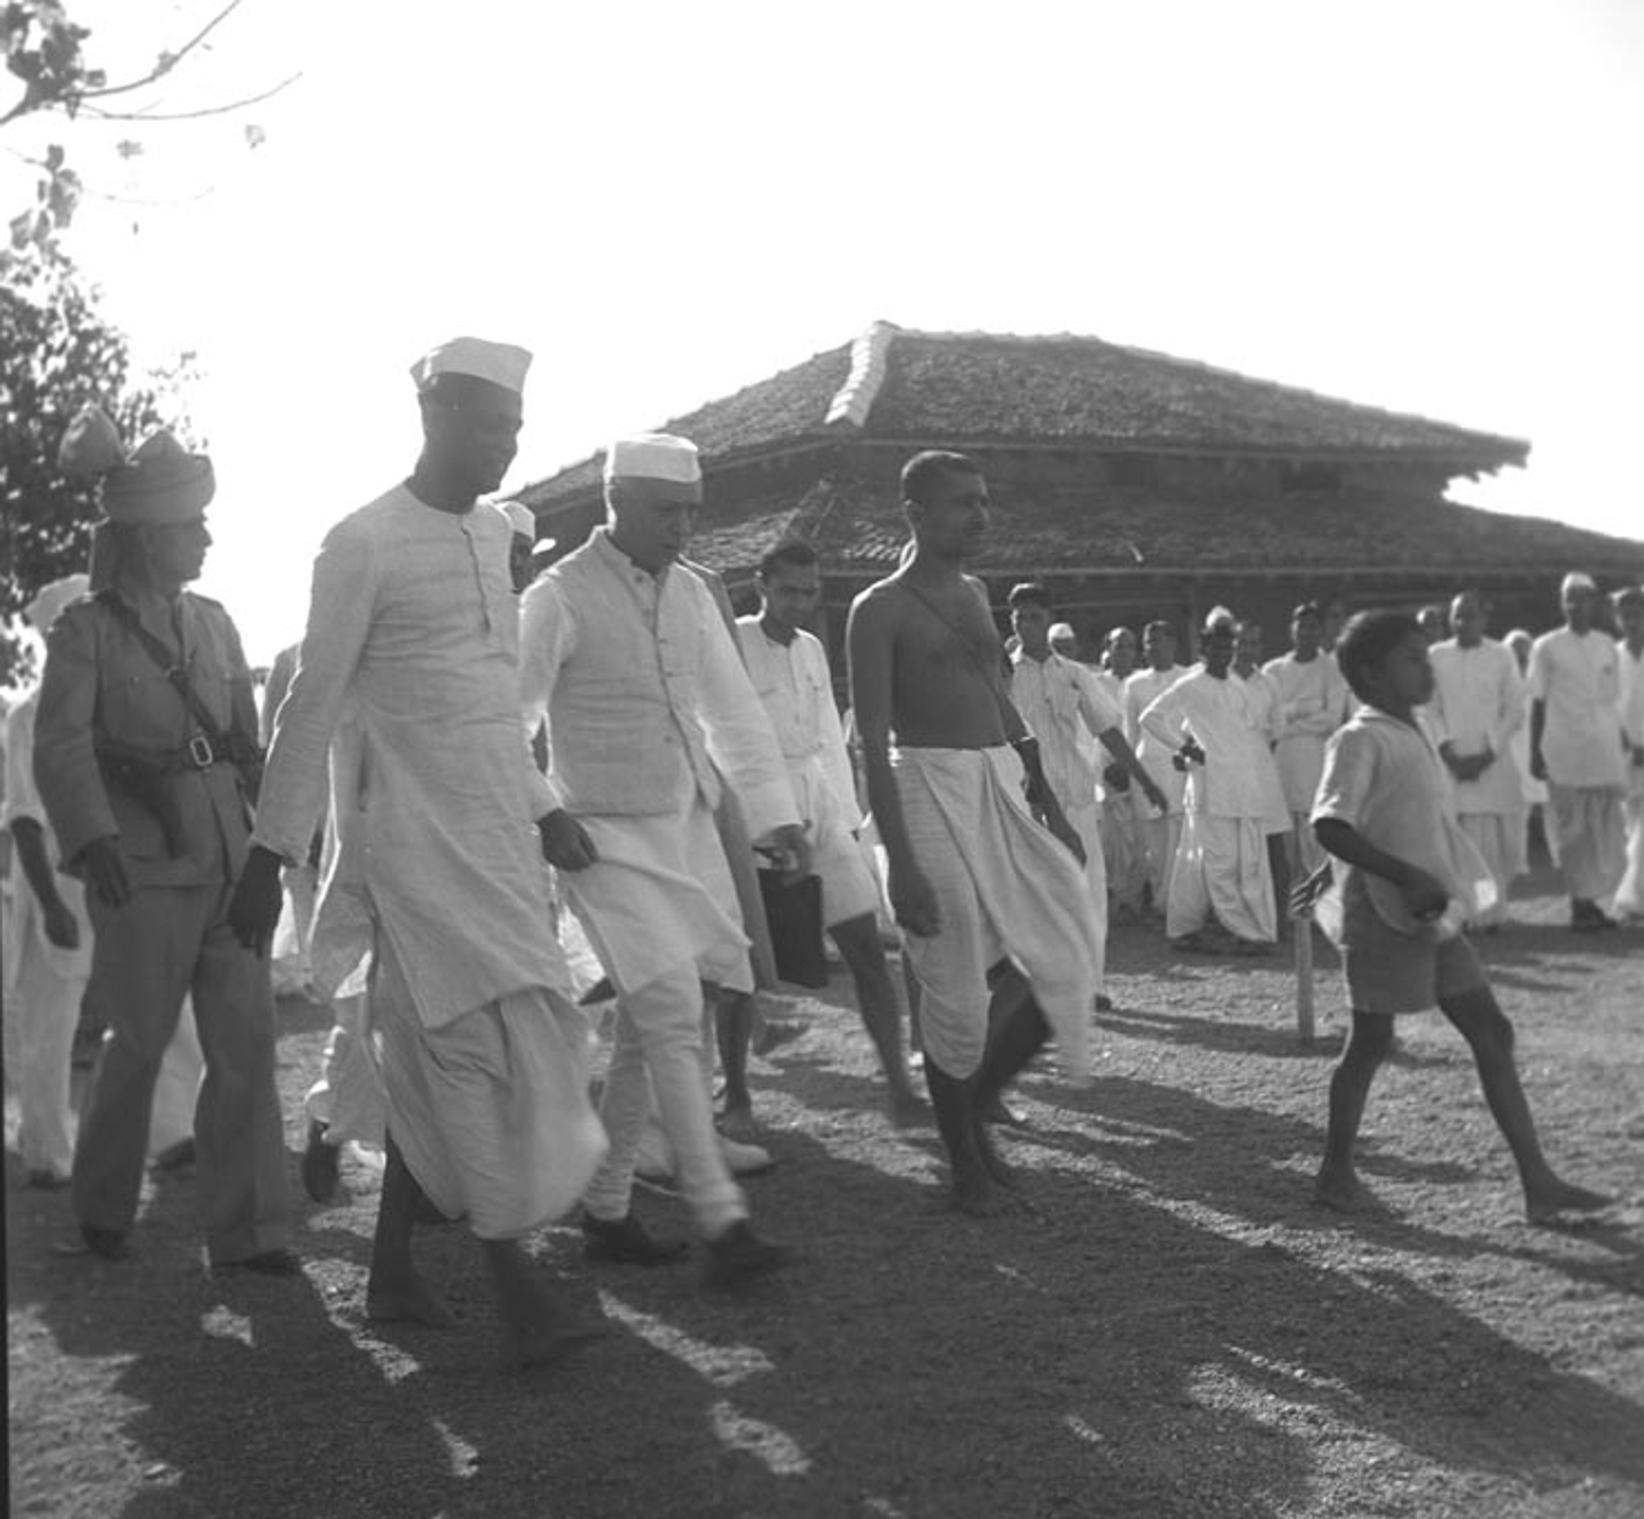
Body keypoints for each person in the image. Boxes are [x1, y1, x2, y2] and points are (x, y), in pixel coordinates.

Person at [230, 337, 608, 1364]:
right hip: (407, 849)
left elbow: (490, 708)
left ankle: (394, 1270)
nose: (505, 445)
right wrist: (269, 854)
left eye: (516, 429)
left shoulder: (494, 538)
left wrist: (542, 810)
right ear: (436, 416)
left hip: (494, 843)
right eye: (490, 425)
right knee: (459, 1054)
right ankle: (514, 1286)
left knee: (517, 1044)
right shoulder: (362, 542)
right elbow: (310, 706)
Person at [519, 432, 804, 1289]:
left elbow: (733, 713)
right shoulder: (558, 596)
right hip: (597, 838)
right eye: (666, 511)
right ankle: (720, 1220)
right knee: (676, 1006)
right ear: (617, 503)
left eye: (693, 511)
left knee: (652, 1025)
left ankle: (605, 1211)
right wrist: (546, 812)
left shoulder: (689, 595)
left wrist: (779, 814)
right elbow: (506, 717)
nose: (684, 527)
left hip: (679, 828)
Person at [35, 410, 291, 1271]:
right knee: (137, 1043)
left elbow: (249, 745)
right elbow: (62, 746)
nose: (208, 538)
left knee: (247, 1048)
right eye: (191, 526)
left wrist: (271, 851)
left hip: (228, 862)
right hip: (143, 870)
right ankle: (105, 1207)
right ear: (146, 539)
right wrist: (92, 839)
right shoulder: (86, 632)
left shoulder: (216, 623)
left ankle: (246, 1229)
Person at [847, 451, 1100, 1216]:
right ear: (915, 513)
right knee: (953, 985)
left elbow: (1000, 697)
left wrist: (1047, 799)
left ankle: (981, 1097)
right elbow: (873, 739)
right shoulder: (878, 608)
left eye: (986, 501)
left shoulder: (976, 593)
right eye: (963, 503)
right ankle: (964, 1158)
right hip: (924, 787)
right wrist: (901, 865)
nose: (981, 515)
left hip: (997, 781)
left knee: (1065, 940)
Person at [1303, 609, 1610, 1225]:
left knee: (1492, 1031)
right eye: (1412, 658)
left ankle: (1538, 1183)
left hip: (1431, 912)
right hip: (1387, 914)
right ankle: (1335, 1172)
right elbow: (1330, 822)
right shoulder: (1360, 737)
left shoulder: (1415, 728)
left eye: (1425, 654)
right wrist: (1397, 874)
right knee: (1370, 1042)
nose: (1427, 668)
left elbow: (1390, 817)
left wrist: (1417, 876)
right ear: (1370, 672)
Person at [736, 539, 922, 1120]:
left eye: (809, 591)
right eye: (788, 590)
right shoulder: (732, 641)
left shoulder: (814, 648)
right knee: (739, 966)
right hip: (755, 813)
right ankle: (736, 1093)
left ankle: (898, 1086)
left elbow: (827, 739)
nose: (799, 601)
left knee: (867, 949)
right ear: (762, 585)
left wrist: (845, 821)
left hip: (822, 807)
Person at [1008, 583, 1167, 1004]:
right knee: (1034, 892)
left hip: (1077, 797)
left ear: (1049, 618)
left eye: (1034, 617)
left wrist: (1146, 781)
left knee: (1089, 891)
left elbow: (1109, 733)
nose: (1026, 625)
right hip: (1027, 804)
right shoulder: (1004, 675)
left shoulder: (1075, 674)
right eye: (1019, 618)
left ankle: (1092, 985)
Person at [1139, 609, 1281, 953]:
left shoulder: (1236, 685)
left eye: (1227, 649)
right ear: (1203, 652)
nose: (1222, 655)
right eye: (1215, 650)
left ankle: (1182, 928)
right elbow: (1151, 718)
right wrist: (1186, 747)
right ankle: (1246, 932)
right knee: (1221, 864)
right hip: (1208, 788)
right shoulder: (1190, 683)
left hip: (1242, 787)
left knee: (1202, 860)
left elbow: (1246, 734)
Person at [1527, 573, 1629, 930]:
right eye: (1569, 597)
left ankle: (1592, 902)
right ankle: (1580, 905)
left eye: (1582, 597)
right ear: (1561, 602)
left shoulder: (1606, 645)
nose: (1575, 604)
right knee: (1573, 832)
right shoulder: (1547, 646)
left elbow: (1611, 699)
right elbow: (1536, 703)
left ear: (1594, 603)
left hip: (1601, 749)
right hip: (1563, 750)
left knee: (1606, 829)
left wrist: (1621, 739)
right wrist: (1534, 752)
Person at [1427, 592, 1526, 929]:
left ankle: (1494, 912)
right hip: (1451, 765)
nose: (1462, 623)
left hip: (1493, 765)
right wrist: (1447, 751)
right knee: (1458, 843)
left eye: (1469, 616)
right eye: (1457, 616)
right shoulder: (1436, 656)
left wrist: (1487, 754)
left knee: (1501, 847)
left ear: (1484, 619)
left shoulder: (1501, 654)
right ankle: (1466, 913)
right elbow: (1429, 707)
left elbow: (1514, 709)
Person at [1263, 602, 1350, 873]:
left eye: (1313, 626)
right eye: (1302, 625)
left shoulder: (1332, 669)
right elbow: (1270, 722)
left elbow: (1332, 719)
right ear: (1292, 629)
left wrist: (1288, 718)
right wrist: (1307, 707)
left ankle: (1318, 906)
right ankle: (1292, 905)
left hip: (1318, 761)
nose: (1307, 632)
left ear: (1321, 631)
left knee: (1317, 835)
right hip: (1283, 763)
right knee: (1286, 838)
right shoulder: (1273, 671)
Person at [1125, 620, 1189, 915]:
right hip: (1146, 769)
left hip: (1180, 769)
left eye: (1158, 641)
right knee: (1153, 842)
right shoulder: (1135, 684)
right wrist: (1134, 775)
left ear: (1173, 643)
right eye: (1148, 642)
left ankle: (1177, 904)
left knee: (1180, 838)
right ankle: (1159, 904)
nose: (1152, 647)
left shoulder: (1187, 678)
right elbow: (1129, 735)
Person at [1095, 627, 1147, 922]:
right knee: (1113, 841)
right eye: (1118, 646)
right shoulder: (1096, 683)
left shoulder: (1141, 683)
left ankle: (1135, 899)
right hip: (1106, 772)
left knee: (1140, 840)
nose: (1123, 652)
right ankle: (1115, 897)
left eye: (1129, 646)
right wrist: (1109, 768)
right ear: (1108, 650)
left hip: (1140, 773)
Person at [1613, 586, 1644, 919]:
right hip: (1621, 752)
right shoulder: (1612, 656)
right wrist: (1627, 744)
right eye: (1627, 616)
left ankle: (1634, 897)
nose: (1633, 621)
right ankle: (1632, 893)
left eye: (1638, 614)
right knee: (1628, 825)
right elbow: (1606, 705)